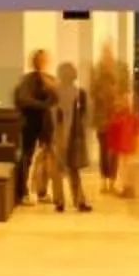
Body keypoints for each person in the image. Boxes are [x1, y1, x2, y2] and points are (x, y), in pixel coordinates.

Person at [10, 49, 55, 208]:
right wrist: (43, 105)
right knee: (27, 157)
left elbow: (56, 98)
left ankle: (42, 191)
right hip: (30, 124)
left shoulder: (50, 79)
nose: (43, 62)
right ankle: (23, 193)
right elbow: (23, 100)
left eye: (44, 59)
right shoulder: (27, 81)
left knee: (45, 159)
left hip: (45, 125)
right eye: (40, 59)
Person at [88, 43, 132, 196]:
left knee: (114, 149)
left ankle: (112, 180)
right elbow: (92, 91)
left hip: (116, 114)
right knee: (103, 148)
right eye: (104, 51)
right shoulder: (96, 70)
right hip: (101, 115)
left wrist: (121, 103)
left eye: (109, 51)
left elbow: (126, 90)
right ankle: (104, 179)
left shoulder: (121, 68)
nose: (107, 54)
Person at [52, 69, 93, 212]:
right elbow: (83, 115)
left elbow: (52, 114)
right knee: (73, 168)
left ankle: (59, 201)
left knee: (59, 169)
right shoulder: (78, 93)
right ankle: (79, 201)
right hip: (72, 134)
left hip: (60, 132)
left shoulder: (56, 93)